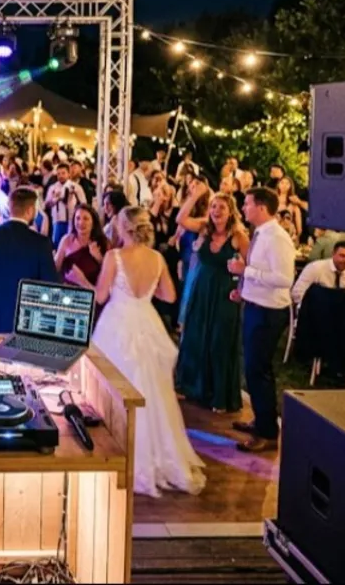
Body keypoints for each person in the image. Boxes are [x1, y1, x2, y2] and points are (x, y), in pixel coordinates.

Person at [91, 207, 206, 497]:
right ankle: (156, 454)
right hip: (147, 321)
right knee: (153, 391)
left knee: (115, 389)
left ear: (124, 227)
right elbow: (169, 295)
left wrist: (85, 282)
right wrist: (145, 292)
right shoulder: (157, 258)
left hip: (118, 323)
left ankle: (117, 450)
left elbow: (100, 296)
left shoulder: (114, 257)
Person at [227, 188, 295, 453]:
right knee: (253, 368)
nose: (243, 208)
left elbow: (284, 279)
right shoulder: (261, 234)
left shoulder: (277, 238)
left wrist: (247, 271)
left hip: (268, 312)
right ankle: (261, 419)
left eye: (247, 204)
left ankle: (268, 433)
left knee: (259, 370)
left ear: (262, 207)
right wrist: (243, 290)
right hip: (255, 304)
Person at [175, 188, 249, 413]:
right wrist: (195, 196)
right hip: (201, 289)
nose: (216, 211)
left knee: (219, 342)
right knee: (196, 336)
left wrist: (241, 291)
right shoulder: (204, 228)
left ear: (230, 212)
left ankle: (220, 396)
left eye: (221, 207)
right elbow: (181, 219)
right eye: (213, 206)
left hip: (224, 293)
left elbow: (249, 267)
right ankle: (192, 388)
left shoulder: (238, 237)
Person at [0, 187, 57, 334]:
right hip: (23, 324)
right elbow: (50, 285)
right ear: (30, 210)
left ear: (10, 207)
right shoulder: (40, 243)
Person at [55, 203, 107, 288]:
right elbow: (55, 268)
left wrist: (99, 258)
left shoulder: (103, 242)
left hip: (91, 290)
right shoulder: (66, 240)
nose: (81, 222)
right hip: (68, 290)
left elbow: (109, 274)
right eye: (77, 218)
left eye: (86, 219)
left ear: (93, 223)